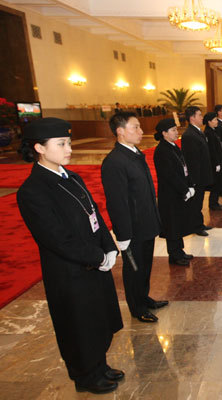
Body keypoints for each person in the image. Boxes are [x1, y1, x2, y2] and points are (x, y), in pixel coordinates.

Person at [17, 118, 124, 394]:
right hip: (69, 272)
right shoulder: (33, 190)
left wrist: (108, 246)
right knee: (78, 325)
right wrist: (97, 257)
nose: (69, 149)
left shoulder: (71, 177)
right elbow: (56, 239)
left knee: (98, 319)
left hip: (93, 262)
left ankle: (100, 365)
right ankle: (86, 375)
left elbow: (94, 214)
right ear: (39, 148)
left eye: (69, 143)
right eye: (61, 144)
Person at [102, 112, 168, 324]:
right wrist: (123, 234)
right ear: (120, 131)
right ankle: (137, 307)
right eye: (135, 127)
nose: (141, 132)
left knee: (145, 265)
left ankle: (144, 297)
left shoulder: (134, 153)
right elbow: (117, 202)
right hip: (132, 229)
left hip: (146, 222)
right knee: (134, 270)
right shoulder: (114, 162)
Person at [152, 118, 196, 266]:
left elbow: (184, 167)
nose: (177, 132)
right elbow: (170, 175)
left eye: (176, 130)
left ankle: (180, 251)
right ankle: (175, 255)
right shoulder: (162, 151)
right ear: (164, 133)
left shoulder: (173, 146)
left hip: (179, 192)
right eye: (173, 130)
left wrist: (190, 185)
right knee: (172, 225)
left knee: (179, 223)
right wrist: (185, 189)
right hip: (170, 195)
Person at [181, 106, 213, 236]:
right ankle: (196, 226)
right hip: (197, 177)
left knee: (199, 202)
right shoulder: (189, 135)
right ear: (192, 118)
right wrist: (193, 181)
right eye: (199, 115)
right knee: (196, 203)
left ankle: (199, 223)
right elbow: (191, 160)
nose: (202, 117)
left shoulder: (198, 131)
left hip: (202, 174)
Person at [203, 112, 222, 211]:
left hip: (219, 161)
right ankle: (213, 204)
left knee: (218, 183)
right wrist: (216, 163)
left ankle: (215, 202)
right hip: (215, 163)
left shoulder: (213, 131)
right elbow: (212, 150)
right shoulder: (208, 133)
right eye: (215, 120)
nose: (217, 122)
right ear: (209, 122)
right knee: (215, 184)